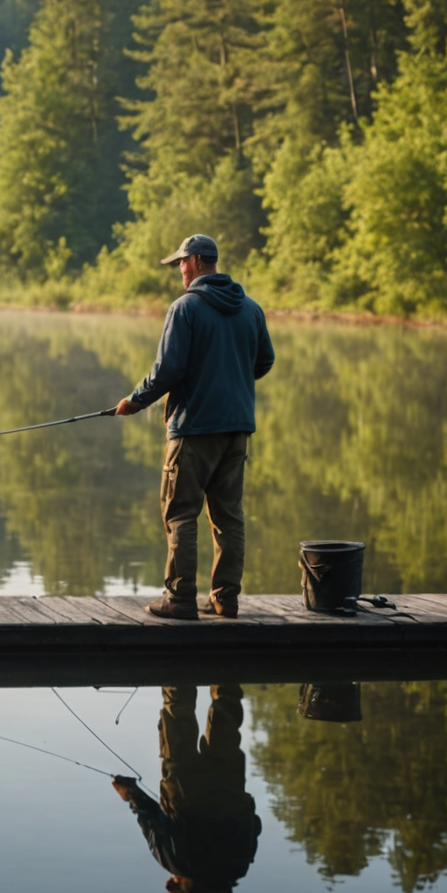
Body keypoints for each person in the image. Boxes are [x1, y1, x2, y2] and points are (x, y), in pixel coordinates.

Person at [112, 234, 274, 620]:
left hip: (194, 428)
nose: (179, 271)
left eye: (182, 263)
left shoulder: (185, 308)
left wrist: (135, 401)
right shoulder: (250, 308)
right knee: (228, 517)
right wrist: (230, 379)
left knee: (181, 512)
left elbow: (168, 369)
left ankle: (181, 599)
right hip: (237, 429)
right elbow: (264, 361)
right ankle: (225, 599)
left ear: (199, 261)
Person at [112, 685, 262, 893]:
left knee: (225, 705)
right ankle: (175, 662)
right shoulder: (177, 863)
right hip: (183, 784)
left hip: (228, 783)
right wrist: (129, 793)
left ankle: (225, 658)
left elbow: (253, 825)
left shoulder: (238, 866)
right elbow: (150, 820)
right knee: (176, 709)